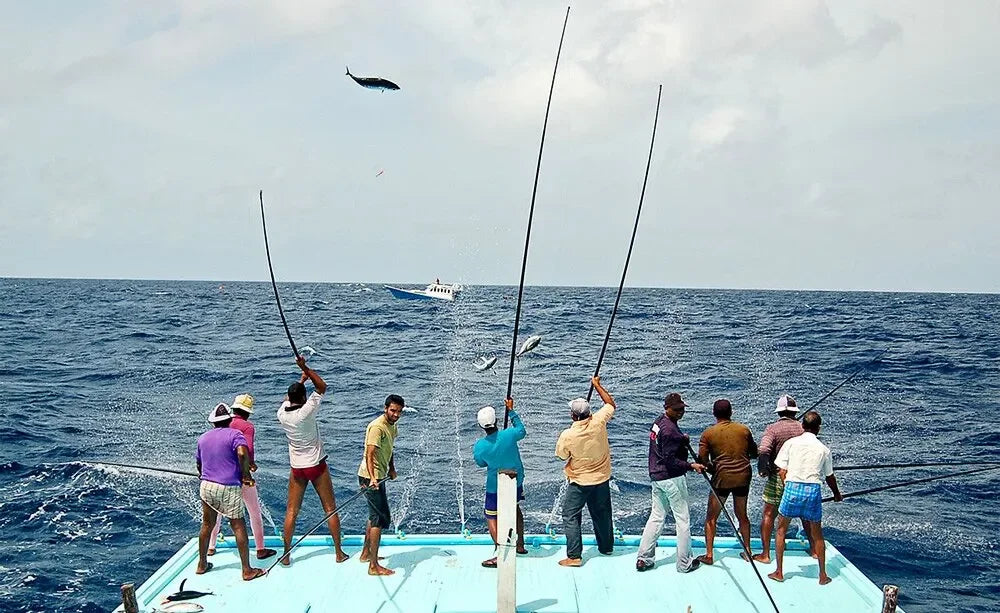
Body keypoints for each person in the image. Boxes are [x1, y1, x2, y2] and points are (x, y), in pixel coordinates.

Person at [276, 356, 348, 566]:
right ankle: (338, 553)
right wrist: (305, 367)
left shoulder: (282, 414)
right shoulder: (305, 413)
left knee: (291, 511)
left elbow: (291, 395)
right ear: (304, 397)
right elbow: (322, 387)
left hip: (297, 468)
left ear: (289, 398)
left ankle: (286, 555)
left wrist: (302, 378)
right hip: (316, 465)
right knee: (330, 509)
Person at [768, 411, 843, 585]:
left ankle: (779, 572)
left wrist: (787, 485)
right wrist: (836, 494)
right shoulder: (823, 449)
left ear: (802, 426)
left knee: (781, 530)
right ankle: (822, 575)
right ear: (819, 428)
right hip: (812, 490)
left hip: (792, 487)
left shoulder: (791, 443)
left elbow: (781, 469)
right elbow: (829, 476)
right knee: (817, 535)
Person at [636, 392, 706, 572]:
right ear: (667, 408)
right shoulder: (670, 431)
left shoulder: (659, 422)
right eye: (677, 410)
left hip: (656, 477)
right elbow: (671, 461)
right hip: (671, 479)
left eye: (682, 409)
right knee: (682, 520)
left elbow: (666, 445)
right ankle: (684, 563)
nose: (680, 412)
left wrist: (682, 440)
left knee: (657, 517)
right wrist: (691, 466)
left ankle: (644, 558)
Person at [195, 403, 265, 581]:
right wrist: (246, 475)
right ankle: (247, 570)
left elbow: (199, 464)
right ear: (228, 420)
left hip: (206, 485)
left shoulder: (202, 438)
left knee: (207, 525)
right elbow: (243, 453)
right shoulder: (236, 434)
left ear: (213, 422)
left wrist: (203, 474)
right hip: (228, 487)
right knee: (238, 526)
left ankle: (202, 564)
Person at [554, 376, 616, 567]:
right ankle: (606, 547)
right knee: (602, 513)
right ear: (589, 413)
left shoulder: (568, 435)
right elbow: (610, 403)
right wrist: (597, 385)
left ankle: (574, 556)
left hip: (580, 482)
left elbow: (562, 456)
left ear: (573, 416)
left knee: (570, 515)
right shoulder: (599, 422)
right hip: (602, 478)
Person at [208, 393, 277, 560]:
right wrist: (250, 465)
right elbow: (247, 450)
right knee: (254, 512)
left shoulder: (222, 425)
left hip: (221, 476)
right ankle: (260, 549)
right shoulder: (247, 426)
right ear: (247, 412)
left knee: (216, 514)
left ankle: (211, 547)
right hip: (241, 477)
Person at [696, 399, 758, 565]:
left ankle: (709, 555)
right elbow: (754, 452)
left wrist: (711, 468)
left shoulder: (708, 433)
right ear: (731, 412)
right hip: (743, 478)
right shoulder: (744, 429)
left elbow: (702, 459)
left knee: (711, 518)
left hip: (721, 479)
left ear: (714, 414)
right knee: (742, 516)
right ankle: (748, 552)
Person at [753, 394, 810, 563]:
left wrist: (763, 469)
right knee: (805, 515)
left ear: (779, 413)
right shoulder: (802, 429)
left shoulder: (772, 429)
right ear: (794, 412)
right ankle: (814, 550)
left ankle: (765, 554)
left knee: (769, 513)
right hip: (801, 478)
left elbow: (764, 450)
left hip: (778, 476)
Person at [473, 397, 528, 568]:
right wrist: (511, 410)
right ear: (496, 421)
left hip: (494, 486)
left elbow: (481, 463)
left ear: (481, 426)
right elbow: (521, 430)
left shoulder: (480, 446)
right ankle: (520, 546)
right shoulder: (509, 435)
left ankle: (500, 552)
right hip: (515, 481)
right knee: (515, 508)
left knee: (491, 515)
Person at [358, 394, 404, 576]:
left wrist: (391, 469)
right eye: (393, 410)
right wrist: (372, 478)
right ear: (385, 409)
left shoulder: (392, 426)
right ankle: (373, 566)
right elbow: (370, 454)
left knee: (374, 515)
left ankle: (366, 554)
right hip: (370, 478)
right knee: (379, 519)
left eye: (399, 411)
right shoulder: (377, 427)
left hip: (379, 475)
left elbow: (389, 448)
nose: (396, 414)